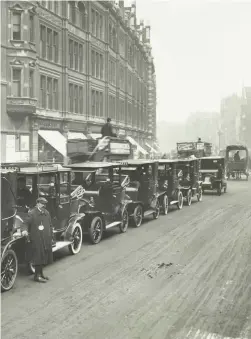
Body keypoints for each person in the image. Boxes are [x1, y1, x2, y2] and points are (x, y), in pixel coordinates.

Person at [21, 197, 53, 283]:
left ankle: (41, 274)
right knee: (38, 257)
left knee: (44, 256)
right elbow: (25, 223)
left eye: (45, 204)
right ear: (38, 203)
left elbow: (50, 225)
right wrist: (24, 230)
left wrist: (51, 236)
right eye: (42, 204)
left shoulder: (47, 213)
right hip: (36, 239)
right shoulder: (32, 213)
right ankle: (36, 276)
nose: (44, 205)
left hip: (45, 238)